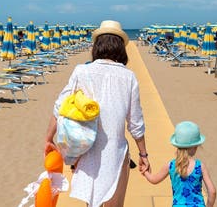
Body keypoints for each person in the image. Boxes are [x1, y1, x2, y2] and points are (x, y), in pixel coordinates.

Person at [44, 20, 150, 207]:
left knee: (91, 202)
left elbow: (59, 107)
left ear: (97, 46)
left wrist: (48, 138)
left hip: (86, 151)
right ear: (120, 48)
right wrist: (143, 154)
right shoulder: (129, 77)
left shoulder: (82, 71)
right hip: (115, 154)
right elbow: (135, 124)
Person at [142, 121, 216, 207]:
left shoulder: (171, 166)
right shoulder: (200, 166)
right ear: (195, 146)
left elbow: (154, 180)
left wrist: (145, 171)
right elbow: (212, 192)